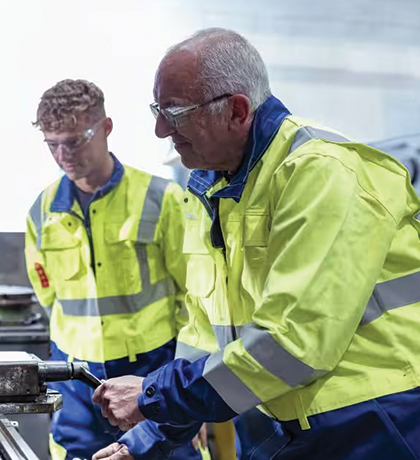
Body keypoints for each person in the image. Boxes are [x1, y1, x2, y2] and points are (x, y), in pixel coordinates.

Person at [92, 28, 420, 460]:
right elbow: (206, 338)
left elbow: (293, 342)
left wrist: (154, 395)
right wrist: (148, 438)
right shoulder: (212, 190)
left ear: (237, 111)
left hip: (371, 421)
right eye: (158, 109)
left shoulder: (320, 171)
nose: (158, 129)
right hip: (282, 422)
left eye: (174, 112)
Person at [25, 79, 204, 460]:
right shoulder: (42, 212)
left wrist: (194, 385)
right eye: (52, 144)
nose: (63, 155)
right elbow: (48, 295)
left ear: (106, 127)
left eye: (74, 140)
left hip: (153, 371)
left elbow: (198, 298)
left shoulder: (163, 200)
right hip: (74, 380)